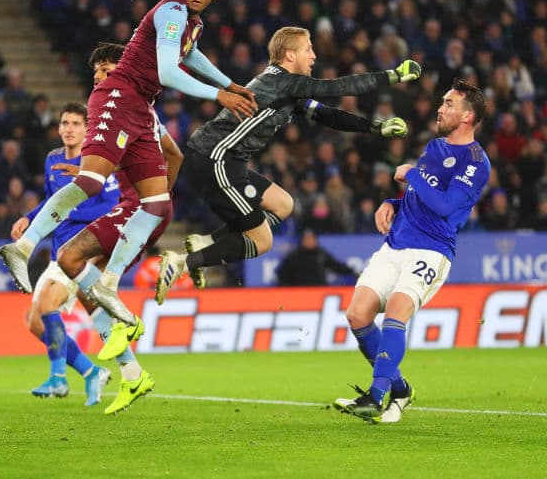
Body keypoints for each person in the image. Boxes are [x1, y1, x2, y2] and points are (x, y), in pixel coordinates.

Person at [0, 0, 257, 357]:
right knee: (89, 181)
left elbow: (191, 57)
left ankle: (109, 283)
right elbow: (171, 72)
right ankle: (25, 247)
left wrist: (229, 82)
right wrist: (220, 95)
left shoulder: (193, 24)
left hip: (139, 106)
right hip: (119, 96)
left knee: (156, 204)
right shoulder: (172, 11)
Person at [154, 26, 419, 301]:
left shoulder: (285, 88)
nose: (314, 55)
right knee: (263, 241)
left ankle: (205, 243)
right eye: (309, 49)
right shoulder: (284, 83)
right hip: (215, 159)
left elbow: (328, 115)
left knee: (283, 203)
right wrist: (393, 75)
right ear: (289, 55)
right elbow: (336, 87)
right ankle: (183, 262)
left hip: (225, 160)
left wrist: (375, 128)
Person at [334, 80, 490, 423]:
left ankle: (375, 397)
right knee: (357, 315)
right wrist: (391, 202)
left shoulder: (476, 162)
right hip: (396, 243)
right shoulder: (434, 147)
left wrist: (412, 174)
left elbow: (447, 206)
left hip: (432, 250)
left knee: (396, 312)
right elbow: (420, 197)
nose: (441, 108)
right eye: (443, 102)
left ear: (467, 116)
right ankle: (401, 389)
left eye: (449, 104)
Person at [51, 43, 184, 414]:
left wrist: (151, 201)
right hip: (145, 206)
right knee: (84, 285)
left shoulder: (123, 109)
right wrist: (162, 195)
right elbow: (175, 155)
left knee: (69, 256)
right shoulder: (143, 110)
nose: (98, 76)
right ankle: (132, 373)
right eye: (95, 71)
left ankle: (128, 322)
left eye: (105, 68)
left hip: (137, 208)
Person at [18, 99, 119, 407]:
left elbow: (113, 204)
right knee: (34, 321)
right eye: (64, 123)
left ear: (87, 130)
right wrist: (29, 217)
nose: (69, 129)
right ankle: (91, 372)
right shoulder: (52, 160)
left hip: (83, 250)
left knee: (48, 302)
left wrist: (75, 211)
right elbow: (52, 201)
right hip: (57, 251)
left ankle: (59, 380)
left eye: (76, 124)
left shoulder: (99, 161)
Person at [275, 229, 357, 286]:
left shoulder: (321, 254)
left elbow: (336, 266)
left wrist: (351, 271)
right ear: (302, 241)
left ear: (315, 240)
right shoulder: (294, 256)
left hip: (319, 291)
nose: (309, 241)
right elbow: (282, 274)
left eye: (311, 239)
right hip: (300, 293)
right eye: (306, 239)